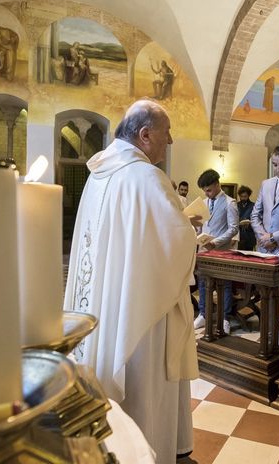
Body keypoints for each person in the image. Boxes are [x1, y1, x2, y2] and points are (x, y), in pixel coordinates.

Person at [63, 99, 200, 463]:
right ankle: (145, 450)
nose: (169, 142)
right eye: (166, 133)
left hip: (103, 303)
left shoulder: (99, 173)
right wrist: (190, 229)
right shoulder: (145, 176)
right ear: (145, 135)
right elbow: (176, 241)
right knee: (145, 388)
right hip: (140, 309)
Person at [193, 169, 239, 335]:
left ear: (217, 184)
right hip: (205, 249)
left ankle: (225, 317)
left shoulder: (229, 202)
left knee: (224, 284)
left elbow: (233, 228)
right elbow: (200, 226)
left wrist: (216, 242)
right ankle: (203, 314)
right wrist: (196, 233)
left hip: (222, 250)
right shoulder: (203, 203)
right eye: (204, 190)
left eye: (209, 189)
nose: (207, 193)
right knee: (203, 283)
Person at [237, 185, 256, 251]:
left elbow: (256, 220)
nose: (243, 198)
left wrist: (250, 223)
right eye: (241, 196)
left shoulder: (253, 206)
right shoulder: (236, 205)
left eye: (245, 196)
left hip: (249, 235)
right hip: (239, 235)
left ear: (248, 196)